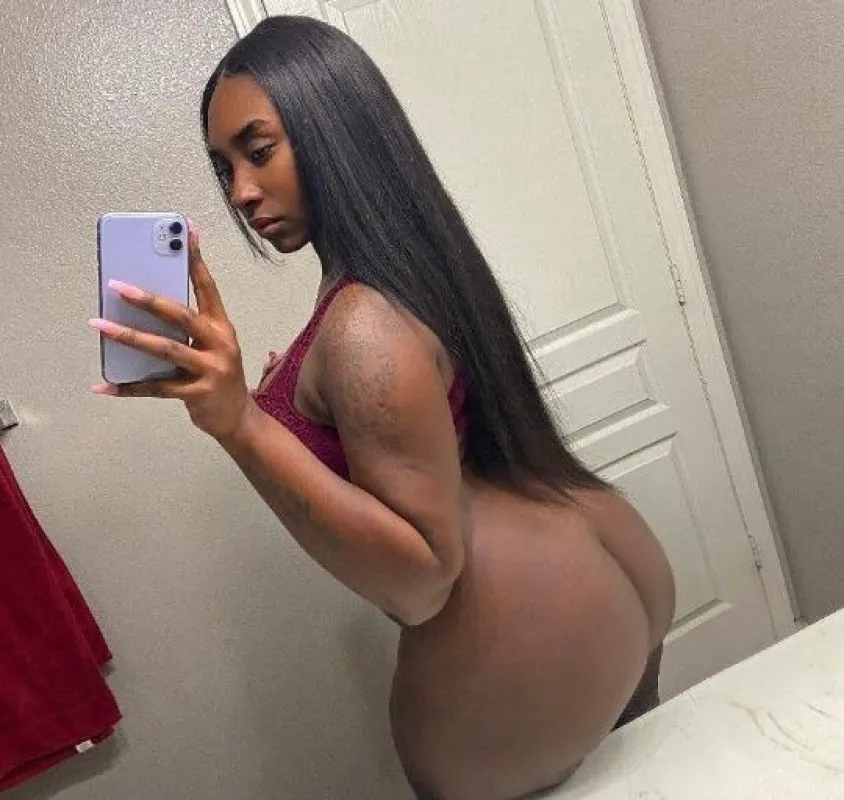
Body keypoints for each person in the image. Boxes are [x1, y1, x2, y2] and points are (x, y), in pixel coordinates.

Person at [88, 15, 675, 800]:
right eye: (224, 167)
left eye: (259, 152)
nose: (241, 193)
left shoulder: (363, 322)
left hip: (515, 648)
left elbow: (423, 582)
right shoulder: (410, 264)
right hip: (602, 558)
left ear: (336, 130)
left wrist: (242, 422)